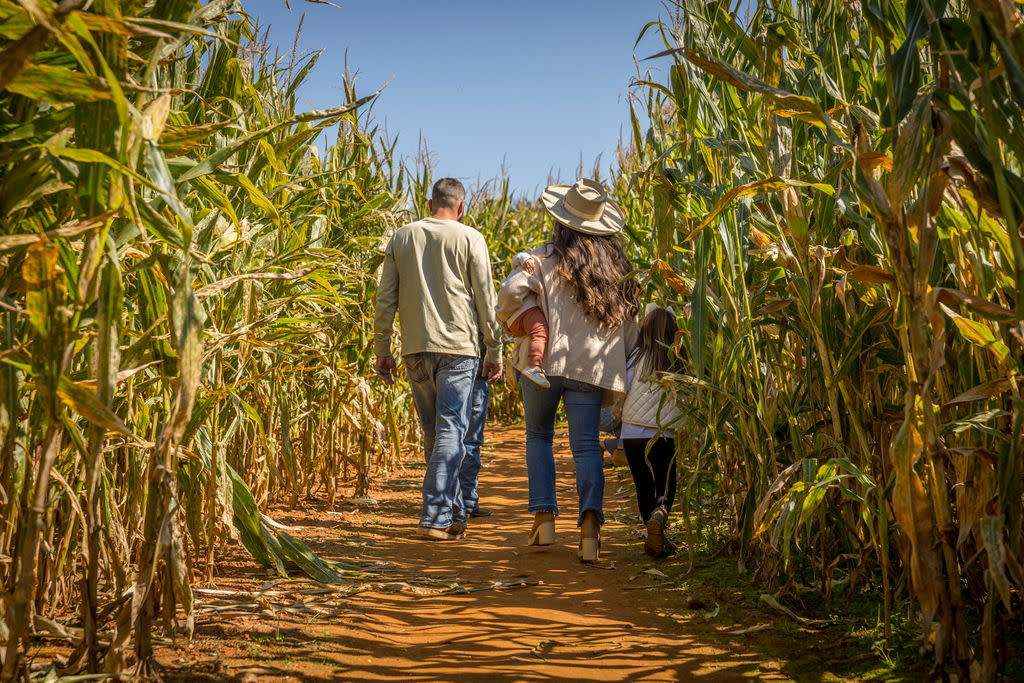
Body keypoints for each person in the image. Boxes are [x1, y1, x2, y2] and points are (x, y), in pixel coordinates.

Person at [497, 178, 641, 562]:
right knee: (585, 446)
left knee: (539, 436)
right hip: (591, 370)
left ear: (561, 221)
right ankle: (590, 531)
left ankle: (544, 521)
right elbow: (630, 331)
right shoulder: (618, 273)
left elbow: (509, 297)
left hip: (543, 365)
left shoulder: (541, 259)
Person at [373, 177, 502, 540]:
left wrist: (382, 348)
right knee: (451, 429)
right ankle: (435, 515)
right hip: (459, 348)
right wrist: (494, 349)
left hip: (416, 346)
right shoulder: (470, 238)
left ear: (430, 204)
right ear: (461, 207)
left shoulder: (402, 236)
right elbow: (485, 299)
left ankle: (454, 512)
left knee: (435, 430)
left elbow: (385, 299)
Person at [620, 304, 683, 559]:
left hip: (632, 436)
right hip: (663, 435)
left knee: (643, 485)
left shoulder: (634, 357)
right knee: (666, 487)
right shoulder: (677, 359)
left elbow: (621, 388)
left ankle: (652, 530)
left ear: (644, 330)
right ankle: (660, 517)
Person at [496, 253, 550, 388]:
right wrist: (526, 258)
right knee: (540, 332)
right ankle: (534, 366)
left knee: (526, 338)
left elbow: (516, 259)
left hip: (510, 319)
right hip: (525, 311)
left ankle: (515, 362)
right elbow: (518, 256)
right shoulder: (535, 261)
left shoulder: (520, 269)